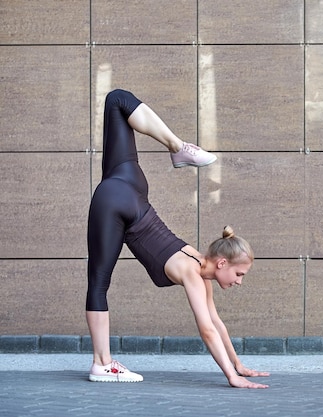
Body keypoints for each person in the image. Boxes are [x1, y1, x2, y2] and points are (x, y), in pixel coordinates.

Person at [86, 89, 269, 389]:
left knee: (117, 100)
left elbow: (217, 323)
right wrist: (232, 378)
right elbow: (207, 330)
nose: (239, 281)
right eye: (239, 274)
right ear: (222, 262)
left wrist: (239, 364)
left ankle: (177, 146)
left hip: (129, 184)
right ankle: (102, 364)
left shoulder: (201, 266)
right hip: (120, 206)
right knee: (98, 282)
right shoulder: (193, 274)